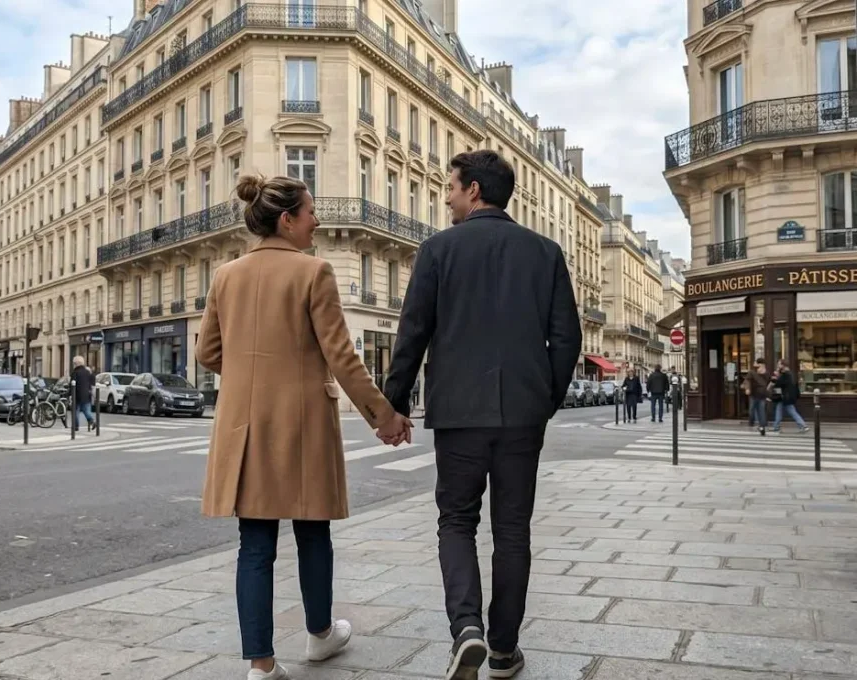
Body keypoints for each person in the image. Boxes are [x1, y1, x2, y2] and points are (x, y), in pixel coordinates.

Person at [196, 174, 413, 680]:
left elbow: (208, 352)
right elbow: (342, 357)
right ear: (288, 219)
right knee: (313, 532)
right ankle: (319, 636)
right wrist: (384, 417)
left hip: (246, 425)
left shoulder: (226, 275)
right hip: (302, 424)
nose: (317, 219)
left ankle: (261, 663)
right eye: (310, 211)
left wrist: (256, 373)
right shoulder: (314, 273)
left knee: (255, 546)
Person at [380, 150, 581, 680]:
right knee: (513, 529)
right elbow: (566, 339)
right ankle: (503, 649)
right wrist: (545, 399)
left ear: (472, 190)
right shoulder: (546, 252)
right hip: (522, 415)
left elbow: (413, 333)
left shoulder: (438, 250)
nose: (445, 197)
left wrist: (393, 403)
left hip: (458, 413)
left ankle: (466, 629)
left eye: (449, 187)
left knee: (456, 522)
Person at [770, 359, 808, 433]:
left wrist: (775, 380)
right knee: (779, 410)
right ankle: (776, 426)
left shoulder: (786, 375)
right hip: (784, 397)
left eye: (779, 364)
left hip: (786, 397)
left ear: (783, 365)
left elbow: (779, 385)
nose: (778, 366)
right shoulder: (789, 374)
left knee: (791, 411)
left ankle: (803, 426)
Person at [70, 355, 96, 432]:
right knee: (87, 410)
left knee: (75, 411)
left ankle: (76, 426)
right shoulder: (88, 372)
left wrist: (69, 394)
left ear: (76, 363)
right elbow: (92, 383)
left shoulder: (75, 372)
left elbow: (72, 384)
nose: (73, 365)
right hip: (87, 395)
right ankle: (92, 421)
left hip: (77, 395)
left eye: (74, 363)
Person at [747, 358, 771, 436]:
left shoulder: (766, 373)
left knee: (761, 412)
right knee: (752, 410)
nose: (754, 364)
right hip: (754, 394)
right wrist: (747, 388)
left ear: (760, 364)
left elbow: (769, 383)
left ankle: (762, 427)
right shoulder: (752, 372)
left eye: (756, 362)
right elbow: (747, 380)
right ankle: (752, 423)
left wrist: (768, 394)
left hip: (761, 395)